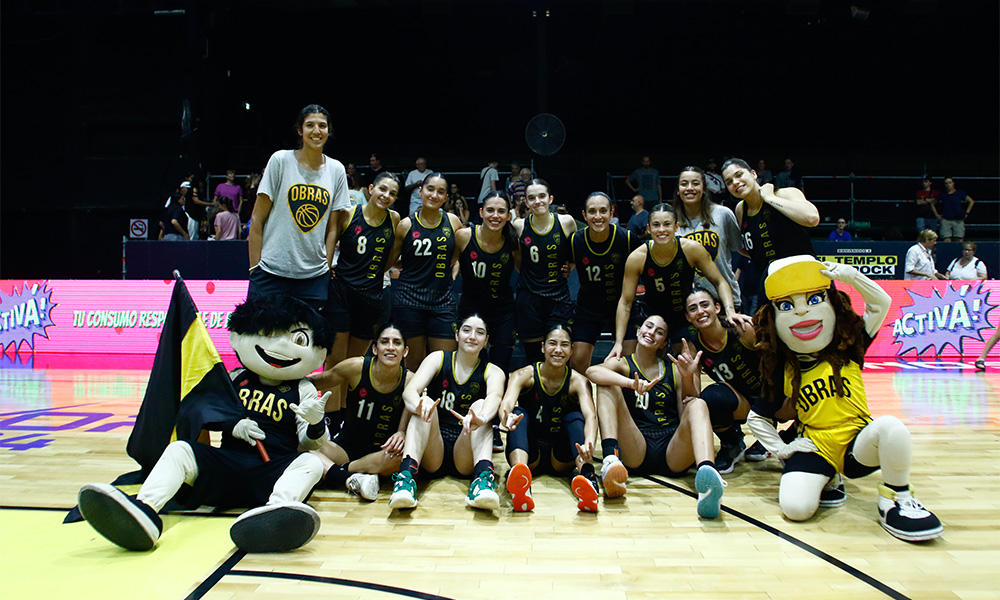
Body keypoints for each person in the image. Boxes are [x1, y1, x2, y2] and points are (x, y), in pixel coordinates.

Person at [78, 295, 333, 553]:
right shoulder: (232, 379)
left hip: (269, 471)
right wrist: (232, 425)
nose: (279, 346)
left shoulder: (303, 389)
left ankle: (275, 513)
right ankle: (145, 510)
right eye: (268, 333)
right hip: (226, 464)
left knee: (311, 462)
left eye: (298, 340)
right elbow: (202, 413)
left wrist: (315, 422)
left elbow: (312, 442)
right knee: (180, 450)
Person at [748, 256, 942, 541]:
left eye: (814, 299)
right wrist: (781, 449)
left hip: (857, 443)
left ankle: (896, 499)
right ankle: (829, 478)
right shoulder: (782, 367)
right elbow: (758, 417)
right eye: (787, 306)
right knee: (796, 509)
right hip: (816, 445)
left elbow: (881, 304)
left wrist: (852, 277)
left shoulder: (848, 345)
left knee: (891, 427)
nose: (802, 313)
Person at [586, 315, 727, 519]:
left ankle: (708, 478)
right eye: (648, 327)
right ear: (638, 331)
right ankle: (610, 459)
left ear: (663, 343)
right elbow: (592, 372)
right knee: (606, 383)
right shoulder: (624, 365)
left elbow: (687, 412)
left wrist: (688, 377)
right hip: (637, 446)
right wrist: (630, 384)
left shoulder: (673, 369)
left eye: (659, 332)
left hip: (673, 449)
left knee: (699, 404)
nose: (651, 332)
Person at [387, 315, 507, 510]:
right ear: (457, 334)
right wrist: (418, 405)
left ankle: (482, 482)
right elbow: (409, 391)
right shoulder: (438, 358)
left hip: (465, 449)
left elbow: (495, 397)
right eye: (467, 330)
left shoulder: (493, 371)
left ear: (486, 341)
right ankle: (405, 481)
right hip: (434, 447)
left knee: (481, 406)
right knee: (425, 402)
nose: (472, 336)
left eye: (480, 332)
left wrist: (482, 417)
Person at [610, 203, 752, 360]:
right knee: (640, 363)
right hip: (652, 316)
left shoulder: (691, 249)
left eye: (667, 224)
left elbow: (720, 281)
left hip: (683, 317)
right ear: (649, 229)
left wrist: (730, 310)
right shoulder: (637, 257)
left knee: (687, 361)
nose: (662, 230)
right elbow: (625, 302)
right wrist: (618, 342)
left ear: (676, 227)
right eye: (656, 225)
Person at [247, 104, 351, 311]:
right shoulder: (280, 160)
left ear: (328, 131)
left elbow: (333, 228)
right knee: (261, 340)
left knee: (306, 341)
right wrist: (255, 268)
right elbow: (257, 219)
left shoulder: (336, 170)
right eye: (310, 125)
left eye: (322, 126)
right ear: (300, 130)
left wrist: (326, 265)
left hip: (313, 278)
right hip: (270, 273)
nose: (316, 131)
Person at [498, 325, 600, 512]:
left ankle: (587, 477)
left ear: (571, 350)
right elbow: (507, 403)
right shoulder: (523, 375)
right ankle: (521, 480)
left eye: (564, 345)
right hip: (530, 452)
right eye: (552, 344)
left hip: (561, 456)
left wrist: (589, 443)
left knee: (575, 417)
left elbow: (590, 416)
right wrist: (507, 417)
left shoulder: (578, 381)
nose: (558, 350)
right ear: (543, 347)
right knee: (520, 412)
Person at [311, 324, 412, 502]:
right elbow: (317, 382)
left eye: (396, 343)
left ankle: (338, 472)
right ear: (375, 348)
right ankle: (357, 475)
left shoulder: (410, 379)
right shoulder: (355, 367)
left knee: (402, 458)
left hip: (382, 453)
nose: (390, 347)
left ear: (405, 351)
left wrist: (402, 432)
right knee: (305, 448)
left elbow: (411, 414)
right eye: (384, 342)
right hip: (345, 448)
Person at [680, 288, 771, 473]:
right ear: (688, 317)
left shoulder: (742, 329)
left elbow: (776, 363)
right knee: (709, 400)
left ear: (717, 308)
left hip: (772, 395)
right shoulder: (692, 343)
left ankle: (785, 435)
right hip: (742, 401)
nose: (701, 311)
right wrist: (687, 376)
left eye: (705, 305)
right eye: (693, 308)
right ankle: (732, 443)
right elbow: (692, 397)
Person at [326, 172, 402, 368]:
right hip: (342, 294)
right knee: (336, 360)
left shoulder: (394, 219)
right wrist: (328, 266)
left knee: (354, 364)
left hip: (372, 298)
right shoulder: (348, 214)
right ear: (370, 189)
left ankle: (347, 400)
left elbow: (389, 261)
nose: (386, 195)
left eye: (392, 193)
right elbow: (326, 243)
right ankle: (332, 400)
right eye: (382, 189)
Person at [723, 157, 819, 310]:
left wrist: (770, 198)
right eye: (729, 182)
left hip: (805, 279)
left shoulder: (784, 194)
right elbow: (752, 250)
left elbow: (812, 218)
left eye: (739, 174)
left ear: (754, 174)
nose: (735, 182)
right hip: (771, 286)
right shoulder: (741, 210)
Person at [389, 172, 462, 367]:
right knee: (412, 366)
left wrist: (448, 264)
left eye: (440, 192)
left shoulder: (453, 222)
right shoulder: (405, 225)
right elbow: (391, 261)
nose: (434, 195)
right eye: (430, 189)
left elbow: (456, 255)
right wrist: (412, 265)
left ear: (446, 197)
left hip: (443, 302)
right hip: (409, 301)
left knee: (444, 365)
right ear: (420, 191)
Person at [569, 192, 639, 372]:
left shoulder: (628, 239)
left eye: (603, 211)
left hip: (623, 305)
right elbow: (565, 264)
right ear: (584, 215)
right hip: (589, 307)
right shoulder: (576, 241)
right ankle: (582, 399)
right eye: (592, 212)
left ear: (611, 213)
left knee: (629, 364)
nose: (598, 216)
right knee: (577, 363)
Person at [512, 179, 578, 365]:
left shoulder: (566, 222)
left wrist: (568, 268)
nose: (537, 201)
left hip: (558, 298)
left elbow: (573, 256)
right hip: (529, 299)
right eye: (531, 198)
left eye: (542, 196)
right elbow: (518, 261)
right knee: (533, 357)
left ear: (550, 199)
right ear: (526, 202)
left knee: (559, 354)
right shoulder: (519, 226)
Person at [456, 191, 519, 373]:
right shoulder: (464, 236)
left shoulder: (513, 242)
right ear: (481, 212)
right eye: (490, 210)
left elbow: (527, 270)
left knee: (500, 367)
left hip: (503, 312)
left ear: (509, 215)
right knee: (471, 366)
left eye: (501, 211)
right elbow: (449, 263)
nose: (495, 216)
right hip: (471, 309)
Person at [673, 166, 744, 313]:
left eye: (696, 183)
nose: (690, 188)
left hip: (726, 299)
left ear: (704, 188)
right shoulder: (670, 222)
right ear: (678, 190)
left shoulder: (723, 214)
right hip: (690, 304)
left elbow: (742, 250)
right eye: (684, 184)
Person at [939, 177, 975, 242]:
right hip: (946, 219)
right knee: (946, 240)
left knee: (959, 239)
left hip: (958, 219)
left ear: (953, 183)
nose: (948, 185)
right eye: (946, 183)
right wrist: (937, 215)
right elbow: (933, 203)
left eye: (950, 183)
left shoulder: (959, 192)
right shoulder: (942, 194)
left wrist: (966, 213)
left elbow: (971, 201)